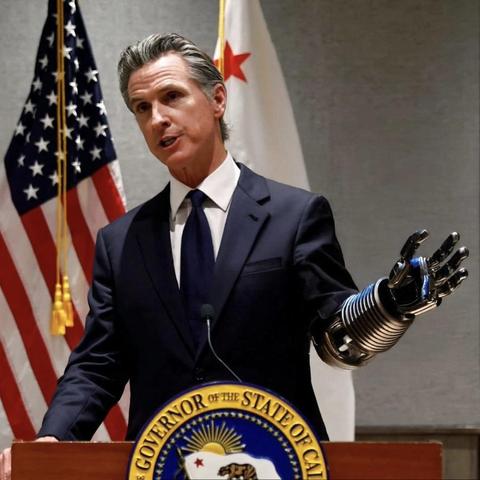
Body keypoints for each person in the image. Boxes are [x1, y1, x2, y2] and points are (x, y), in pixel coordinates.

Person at [0, 33, 468, 479]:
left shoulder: (295, 216)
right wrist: (54, 438)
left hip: (278, 461)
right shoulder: (120, 242)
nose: (157, 118)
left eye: (172, 97)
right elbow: (99, 361)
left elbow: (336, 342)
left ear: (218, 99)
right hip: (162, 466)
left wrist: (386, 307)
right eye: (142, 108)